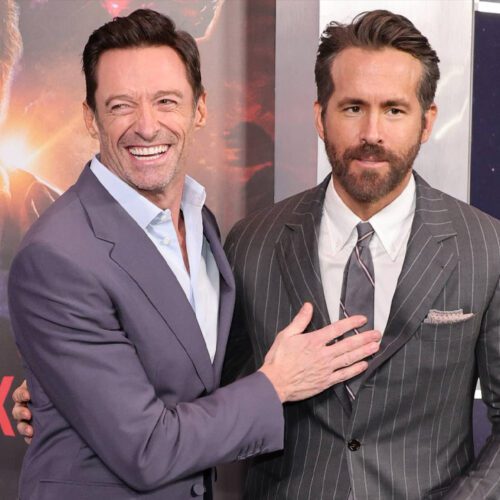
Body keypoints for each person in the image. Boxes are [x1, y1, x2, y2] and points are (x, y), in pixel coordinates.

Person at [8, 9, 381, 500]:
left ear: (199, 109)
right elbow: (146, 448)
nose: (147, 126)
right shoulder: (57, 256)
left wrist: (57, 393)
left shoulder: (199, 220)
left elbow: (188, 373)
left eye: (166, 101)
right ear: (90, 117)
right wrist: (276, 384)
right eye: (121, 106)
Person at [221, 10, 500, 500]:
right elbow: (218, 401)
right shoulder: (252, 244)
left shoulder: (486, 247)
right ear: (319, 117)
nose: (372, 133)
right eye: (353, 108)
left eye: (394, 110)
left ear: (427, 121)